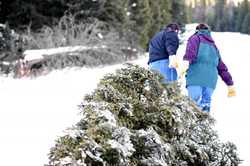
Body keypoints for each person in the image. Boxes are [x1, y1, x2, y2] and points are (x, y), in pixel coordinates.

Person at [182, 23, 236, 112]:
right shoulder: (214, 47)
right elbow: (222, 68)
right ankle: (203, 124)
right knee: (205, 105)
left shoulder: (195, 38)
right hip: (210, 81)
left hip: (196, 77)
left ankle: (191, 124)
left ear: (197, 30)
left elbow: (190, 53)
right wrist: (230, 83)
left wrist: (184, 66)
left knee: (192, 104)